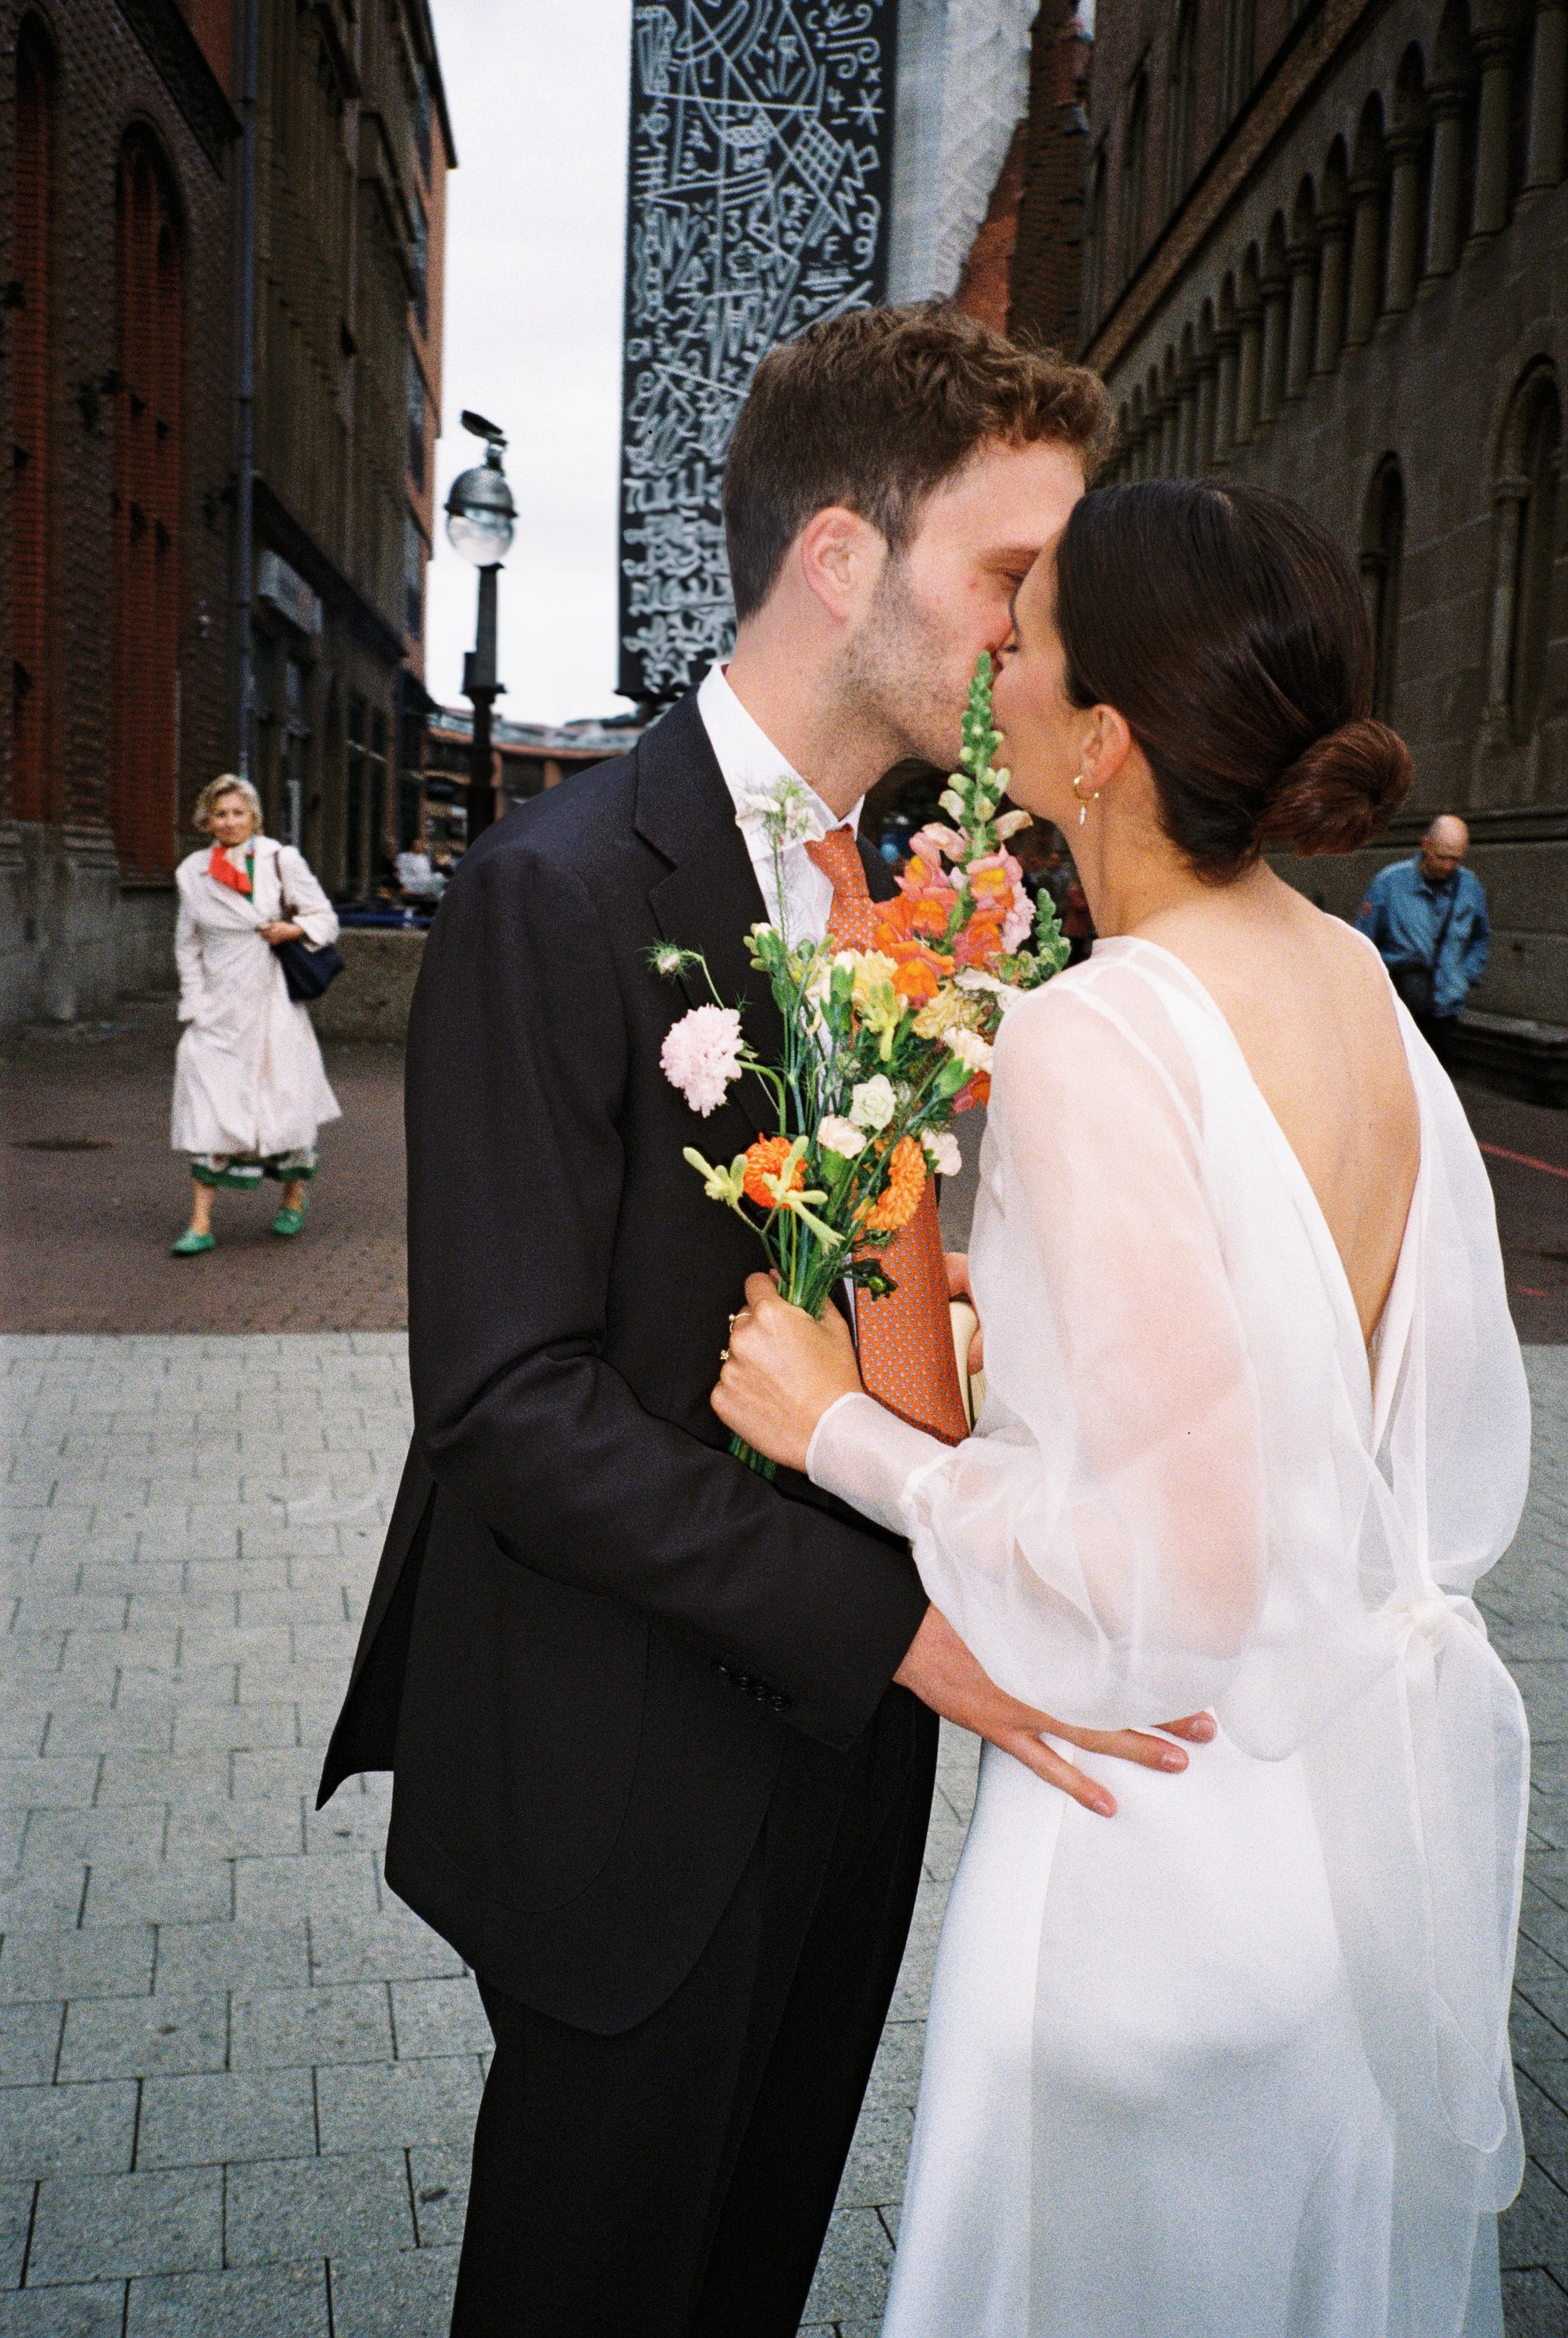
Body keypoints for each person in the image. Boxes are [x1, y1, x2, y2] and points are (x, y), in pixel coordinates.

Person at [315, 307, 1212, 2338]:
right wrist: (896, 1628)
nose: (1031, 633)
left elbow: (791, 1254)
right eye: (1009, 574)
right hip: (625, 1773)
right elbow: (508, 1406)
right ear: (838, 559)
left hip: (844, 1765)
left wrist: (936, 1320)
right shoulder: (550, 892)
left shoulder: (906, 889)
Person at [716, 480, 1531, 2338]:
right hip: (1348, 1870)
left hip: (1146, 1865)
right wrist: (1039, 1334)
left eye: (1033, 634)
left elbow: (1166, 1573)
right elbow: (1317, 1388)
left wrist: (832, 1424)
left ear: (1100, 740)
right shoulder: (1356, 992)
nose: (989, 658)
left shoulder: (1098, 1028)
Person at [170, 776, 341, 1254]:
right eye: (220, 814)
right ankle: (200, 1224)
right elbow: (188, 943)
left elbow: (325, 919)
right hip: (219, 1009)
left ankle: (293, 1199)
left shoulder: (280, 859)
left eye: (238, 813)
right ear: (207, 819)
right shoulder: (192, 872)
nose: (229, 822)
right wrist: (195, 1002)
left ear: (254, 816)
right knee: (210, 1105)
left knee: (281, 1098)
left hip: (273, 1001)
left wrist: (291, 929)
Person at [1356, 813, 1490, 1059]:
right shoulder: (1389, 883)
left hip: (1446, 1009)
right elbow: (1363, 944)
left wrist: (1466, 975)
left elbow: (1480, 938)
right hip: (1400, 1009)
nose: (1448, 866)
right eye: (1442, 857)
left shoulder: (1470, 887)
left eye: (1456, 859)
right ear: (1426, 844)